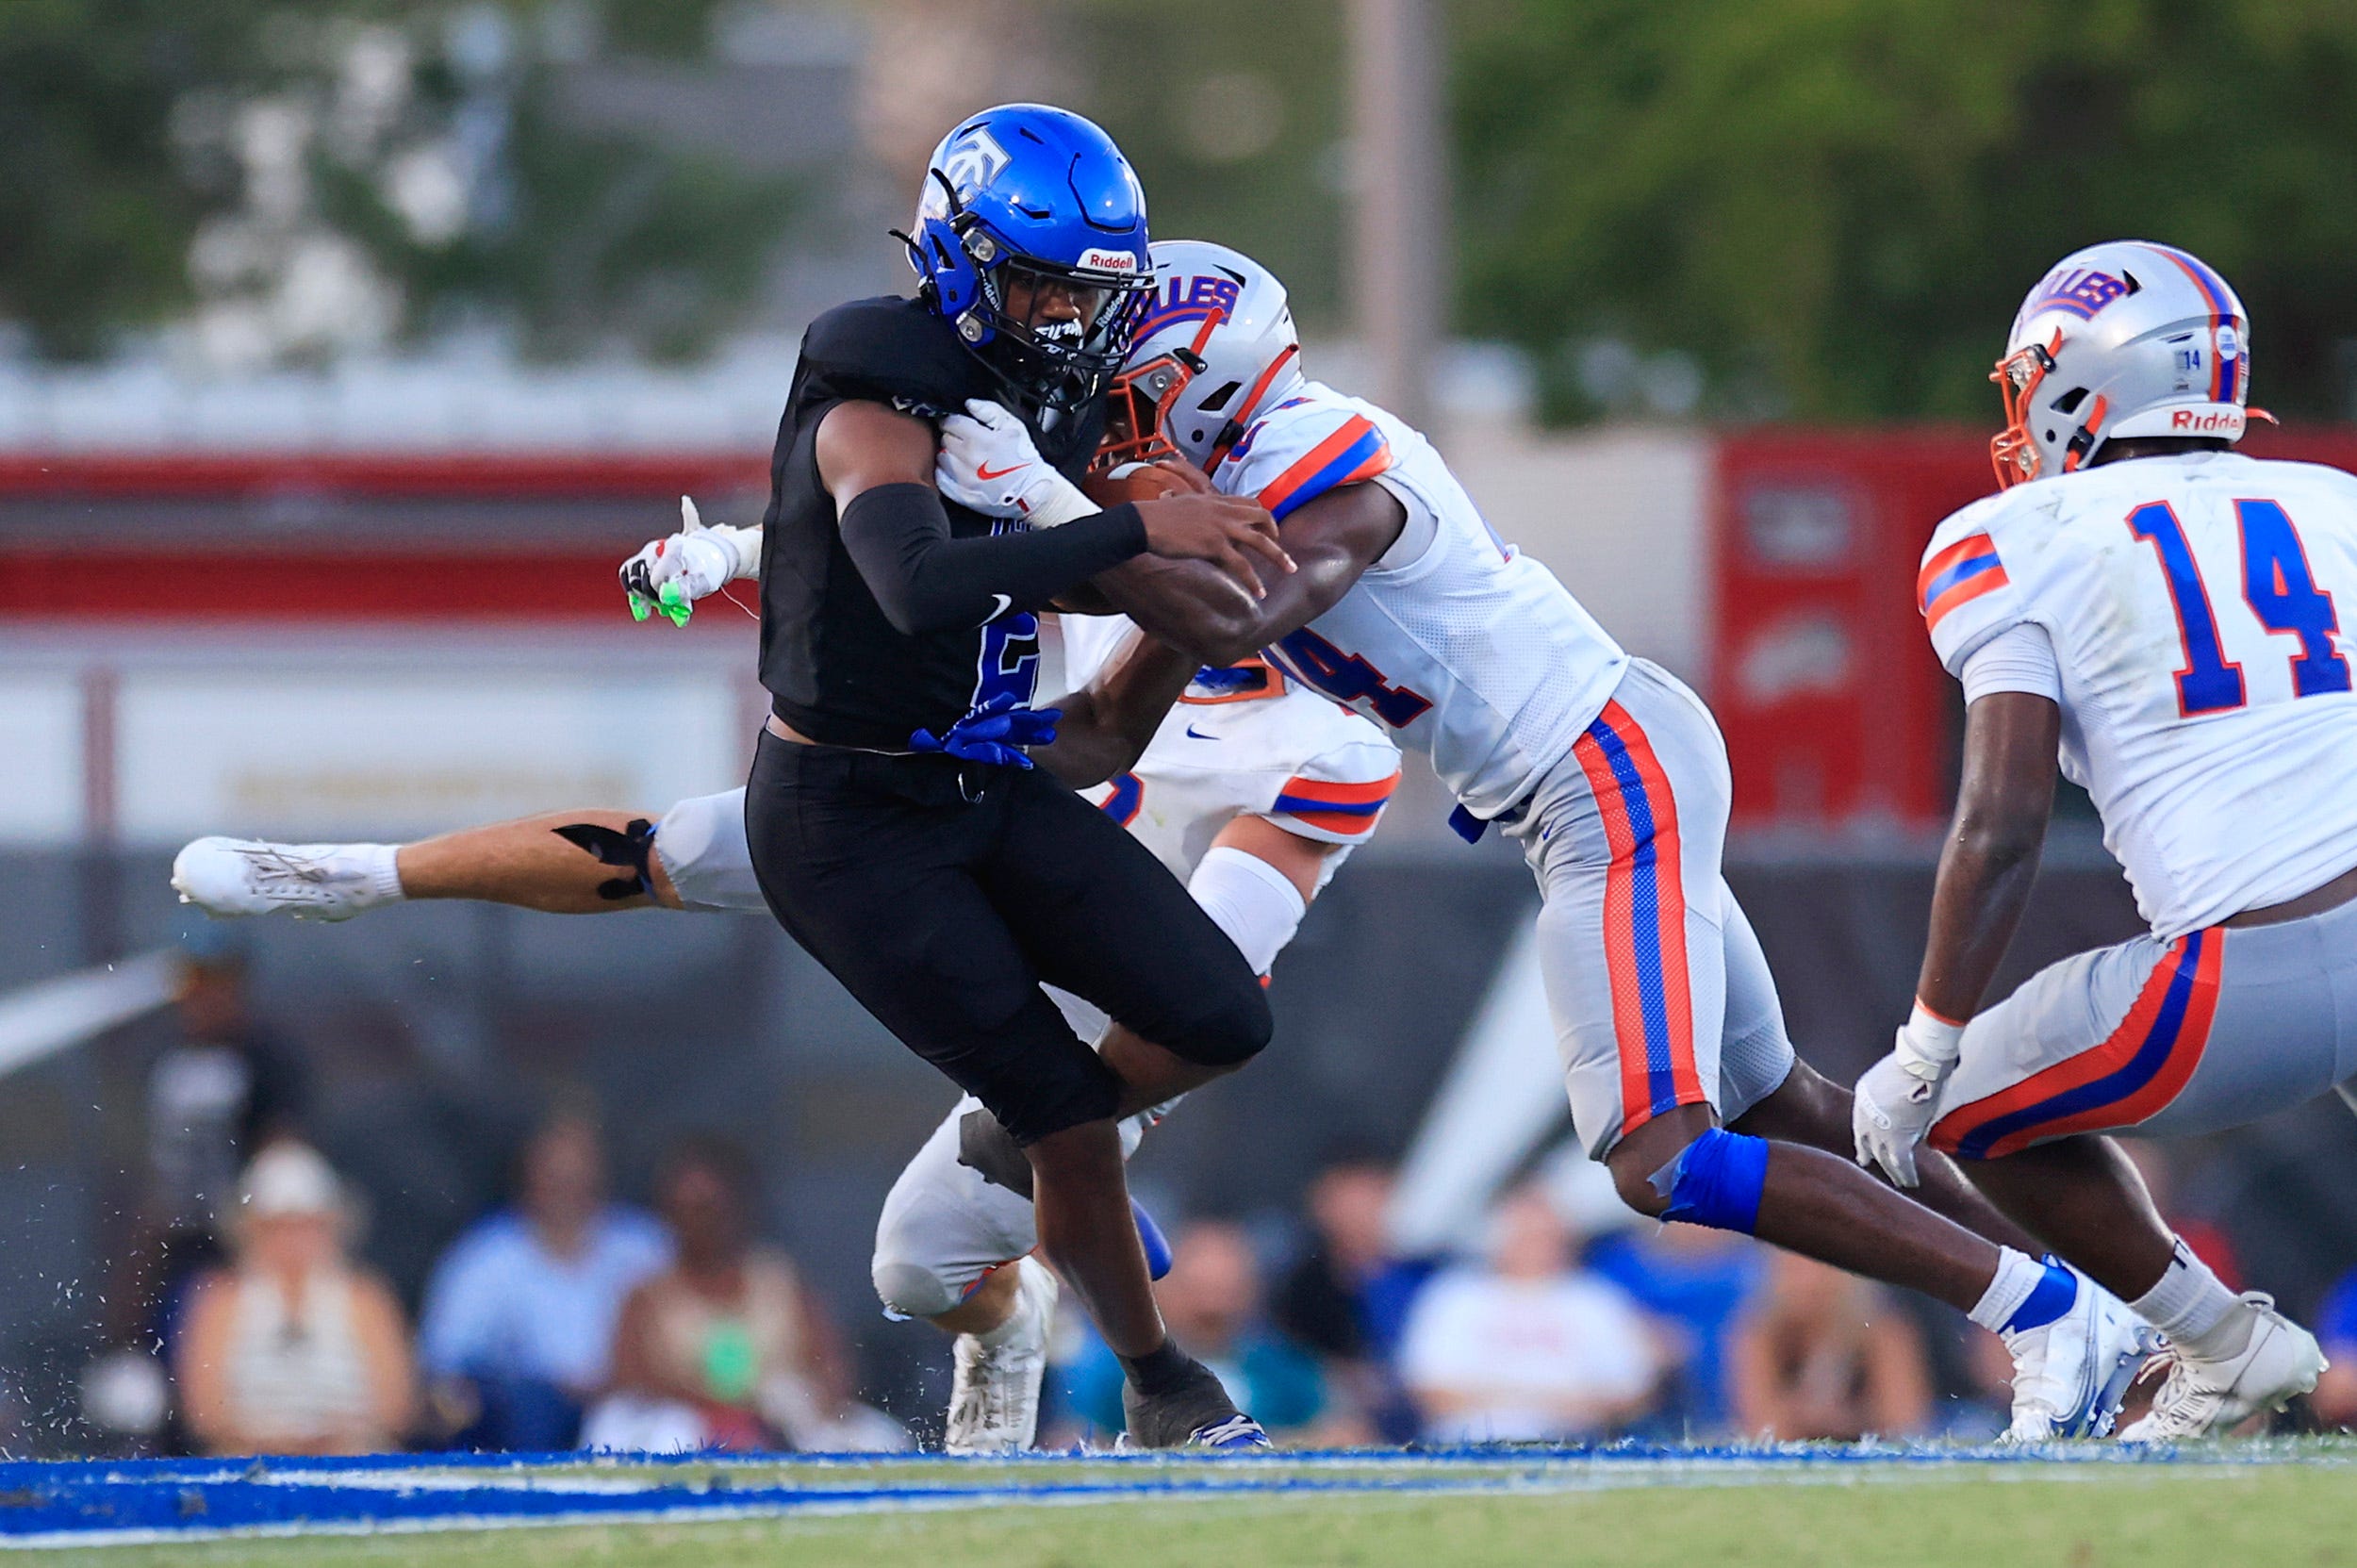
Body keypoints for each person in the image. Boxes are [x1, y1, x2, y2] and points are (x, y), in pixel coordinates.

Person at [937, 238, 2146, 1441]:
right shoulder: (1214, 513)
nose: (1106, 420)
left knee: (1657, 1159)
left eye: (1129, 393)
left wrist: (1069, 528)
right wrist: (920, 753)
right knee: (1787, 1105)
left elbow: (1240, 608)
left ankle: (2042, 1316)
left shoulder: (1332, 462)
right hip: (1591, 777)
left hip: (1602, 776)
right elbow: (1099, 730)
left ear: (1204, 390)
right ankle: (2108, 1316)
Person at [1850, 240, 2350, 1440]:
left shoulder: (2016, 534)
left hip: (2255, 972)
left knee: (1967, 1106)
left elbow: (2005, 812)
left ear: (2082, 383)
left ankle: (2223, 1343)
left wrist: (1923, 1044)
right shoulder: (2336, 503)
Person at [583, 1136, 904, 1453]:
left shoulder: (782, 1283)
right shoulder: (647, 1296)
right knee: (665, 1434)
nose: (702, 1223)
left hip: (781, 1425)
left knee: (882, 1438)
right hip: (689, 1425)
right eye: (688, 1209)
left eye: (711, 1208)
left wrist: (798, 1400)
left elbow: (833, 1368)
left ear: (738, 1207)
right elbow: (628, 1382)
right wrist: (717, 1409)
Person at [415, 1106, 668, 1449]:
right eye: (554, 1175)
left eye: (578, 1174)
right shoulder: (486, 1255)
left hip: (633, 1408)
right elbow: (445, 1361)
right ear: (526, 1176)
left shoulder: (644, 1245)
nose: (566, 1188)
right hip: (528, 1418)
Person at [174, 1142, 414, 1456]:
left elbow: (396, 1409)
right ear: (250, 1229)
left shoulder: (366, 1299)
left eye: (306, 1227)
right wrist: (269, 1438)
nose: (292, 1242)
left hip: (351, 1456)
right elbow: (204, 1414)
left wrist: (334, 1435)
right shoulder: (221, 1300)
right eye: (278, 1229)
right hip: (247, 1461)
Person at [1396, 1185, 1658, 1443]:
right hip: (1465, 1443)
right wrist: (1547, 1400)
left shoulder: (1596, 1299)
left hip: (1573, 1446)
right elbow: (1430, 1391)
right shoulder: (1454, 1296)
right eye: (1526, 1235)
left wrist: (1507, 1397)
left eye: (1546, 1236)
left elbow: (1632, 1394)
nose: (1537, 1246)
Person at [1063, 1221, 1337, 1444]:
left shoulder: (1284, 1369)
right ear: (1163, 1293)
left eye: (1224, 1293)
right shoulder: (1120, 1371)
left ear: (1250, 1292)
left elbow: (1341, 1432)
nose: (1211, 1309)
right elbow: (1075, 1439)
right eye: (1197, 1292)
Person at [1267, 1149, 1431, 1441]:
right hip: (1329, 1404)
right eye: (1346, 1200)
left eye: (1370, 1197)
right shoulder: (1299, 1283)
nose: (1358, 1213)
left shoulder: (1427, 1280)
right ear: (1321, 1205)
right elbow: (1285, 1354)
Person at [1728, 1250, 1932, 1442]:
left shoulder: (1882, 1333)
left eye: (1822, 1267)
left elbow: (1906, 1425)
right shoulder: (1760, 1335)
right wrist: (1809, 1415)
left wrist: (1843, 1420)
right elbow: (1761, 1427)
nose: (1810, 1282)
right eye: (1795, 1268)